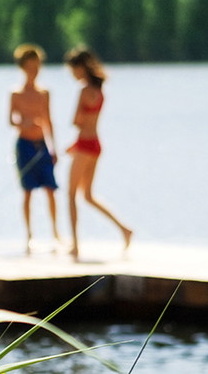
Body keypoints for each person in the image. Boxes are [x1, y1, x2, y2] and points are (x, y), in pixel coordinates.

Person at [65, 47, 133, 261]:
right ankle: (124, 229)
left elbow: (77, 121)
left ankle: (75, 245)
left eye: (73, 70)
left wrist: (76, 141)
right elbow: (91, 122)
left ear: (81, 68)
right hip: (94, 144)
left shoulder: (84, 90)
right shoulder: (100, 91)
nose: (72, 74)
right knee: (88, 196)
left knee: (71, 194)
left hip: (85, 144)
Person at [9, 43, 61, 254]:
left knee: (50, 189)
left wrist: (54, 147)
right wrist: (24, 124)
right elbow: (11, 120)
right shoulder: (16, 93)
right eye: (31, 66)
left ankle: (56, 233)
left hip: (42, 146)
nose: (35, 70)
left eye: (38, 66)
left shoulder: (45, 92)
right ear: (23, 67)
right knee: (28, 191)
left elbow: (50, 120)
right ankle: (29, 235)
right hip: (24, 145)